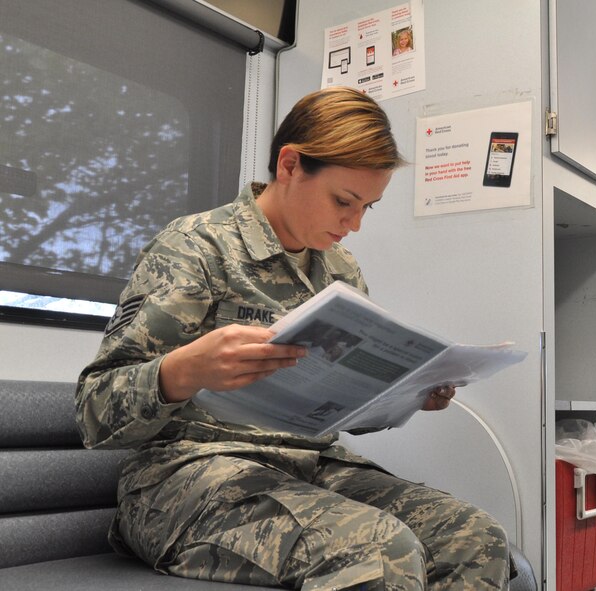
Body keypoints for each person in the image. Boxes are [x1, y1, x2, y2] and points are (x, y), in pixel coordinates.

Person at [75, 86, 511, 590]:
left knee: (475, 536)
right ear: (289, 165)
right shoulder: (194, 248)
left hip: (309, 467)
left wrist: (408, 393)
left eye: (368, 207)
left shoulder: (341, 271)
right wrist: (184, 370)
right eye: (343, 201)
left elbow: (342, 410)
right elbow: (93, 413)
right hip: (187, 478)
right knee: (381, 550)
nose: (354, 224)